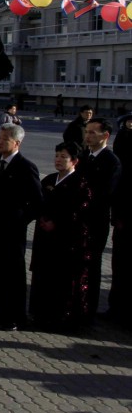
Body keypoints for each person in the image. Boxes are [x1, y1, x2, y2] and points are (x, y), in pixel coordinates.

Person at [0, 123, 42, 331]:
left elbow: (37, 202)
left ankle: (17, 315)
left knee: (13, 273)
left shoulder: (26, 166)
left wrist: (20, 220)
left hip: (13, 230)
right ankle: (1, 308)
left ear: (17, 142)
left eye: (4, 139)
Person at [29, 142, 94, 330]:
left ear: (74, 161)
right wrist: (42, 218)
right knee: (43, 277)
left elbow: (80, 211)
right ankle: (41, 315)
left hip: (66, 241)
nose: (58, 160)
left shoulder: (81, 183)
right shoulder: (49, 180)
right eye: (57, 155)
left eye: (63, 157)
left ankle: (62, 318)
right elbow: (37, 202)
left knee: (62, 281)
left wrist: (56, 223)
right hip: (44, 238)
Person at [78, 118, 122, 317]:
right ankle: (76, 304)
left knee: (92, 265)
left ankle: (89, 309)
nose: (88, 136)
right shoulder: (84, 156)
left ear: (105, 136)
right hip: (78, 219)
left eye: (93, 133)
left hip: (96, 221)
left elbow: (105, 194)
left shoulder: (111, 162)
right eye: (87, 132)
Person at [109, 115, 132, 325]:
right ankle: (117, 308)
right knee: (120, 265)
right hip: (125, 216)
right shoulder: (123, 168)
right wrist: (117, 216)